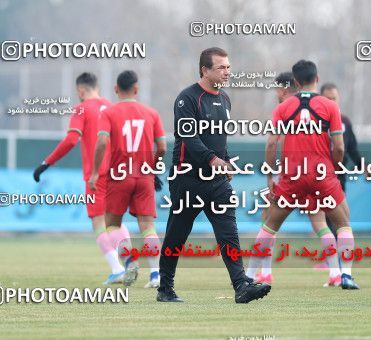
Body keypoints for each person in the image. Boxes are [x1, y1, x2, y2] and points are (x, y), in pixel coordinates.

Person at [157, 47, 271, 303]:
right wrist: (214, 160)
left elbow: (219, 140)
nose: (227, 71)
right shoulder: (187, 98)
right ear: (204, 70)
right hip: (188, 179)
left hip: (217, 181)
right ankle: (165, 288)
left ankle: (241, 285)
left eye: (228, 67)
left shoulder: (226, 99)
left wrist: (226, 161)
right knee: (177, 233)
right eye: (221, 67)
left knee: (228, 231)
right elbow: (189, 138)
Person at [254, 59, 359, 289]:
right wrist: (333, 168)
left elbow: (271, 144)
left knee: (269, 224)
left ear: (296, 82)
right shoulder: (331, 107)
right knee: (342, 223)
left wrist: (270, 177)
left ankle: (253, 275)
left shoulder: (282, 108)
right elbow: (339, 147)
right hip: (322, 176)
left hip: (292, 176)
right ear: (317, 79)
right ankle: (345, 275)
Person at [33, 72, 132, 285]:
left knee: (98, 222)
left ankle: (117, 269)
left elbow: (71, 140)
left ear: (80, 90)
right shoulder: (112, 107)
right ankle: (130, 258)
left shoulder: (81, 108)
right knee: (114, 219)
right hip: (119, 172)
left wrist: (46, 162)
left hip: (96, 175)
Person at [88, 70, 166, 289]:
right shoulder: (151, 113)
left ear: (115, 89)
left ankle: (130, 259)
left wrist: (95, 172)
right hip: (143, 175)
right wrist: (152, 166)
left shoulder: (109, 112)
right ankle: (156, 275)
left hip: (118, 175)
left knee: (112, 224)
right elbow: (162, 147)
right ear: (136, 89)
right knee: (148, 227)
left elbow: (102, 142)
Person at [320, 83, 362, 193]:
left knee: (340, 208)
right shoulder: (313, 121)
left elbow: (352, 148)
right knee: (318, 208)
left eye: (334, 98)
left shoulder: (345, 121)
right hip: (318, 173)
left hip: (338, 174)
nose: (331, 102)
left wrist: (362, 166)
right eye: (328, 99)